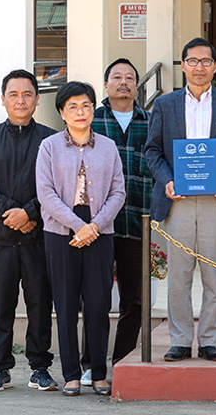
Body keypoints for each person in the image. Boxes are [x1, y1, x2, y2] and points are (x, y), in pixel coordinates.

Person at [144, 37, 216, 362]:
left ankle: (208, 341)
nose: (199, 67)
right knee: (177, 275)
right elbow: (152, 151)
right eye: (193, 61)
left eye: (206, 61)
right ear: (184, 65)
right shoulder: (165, 105)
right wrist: (168, 180)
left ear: (215, 66)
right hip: (177, 201)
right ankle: (180, 339)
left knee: (214, 276)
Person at [0, 69, 59, 392]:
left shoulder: (51, 139)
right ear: (3, 99)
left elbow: (55, 186)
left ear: (36, 100)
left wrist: (30, 212)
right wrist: (12, 213)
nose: (21, 101)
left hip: (39, 238)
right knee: (0, 306)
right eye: (14, 95)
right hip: (0, 239)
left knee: (39, 305)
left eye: (27, 95)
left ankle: (40, 367)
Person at [36, 81, 125, 396]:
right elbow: (45, 194)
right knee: (65, 304)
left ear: (93, 109)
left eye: (86, 105)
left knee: (99, 304)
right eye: (72, 106)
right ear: (61, 111)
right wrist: (77, 226)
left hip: (100, 232)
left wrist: (95, 225)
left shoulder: (108, 146)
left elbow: (118, 191)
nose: (80, 111)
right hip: (61, 233)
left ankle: (98, 373)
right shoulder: (49, 147)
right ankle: (72, 374)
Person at [79, 58, 153, 385]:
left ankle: (122, 363)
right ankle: (90, 366)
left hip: (138, 223)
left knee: (135, 299)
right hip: (97, 225)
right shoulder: (90, 122)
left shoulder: (152, 123)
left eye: (130, 78)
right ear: (106, 84)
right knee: (95, 297)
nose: (123, 82)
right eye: (117, 77)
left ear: (137, 85)